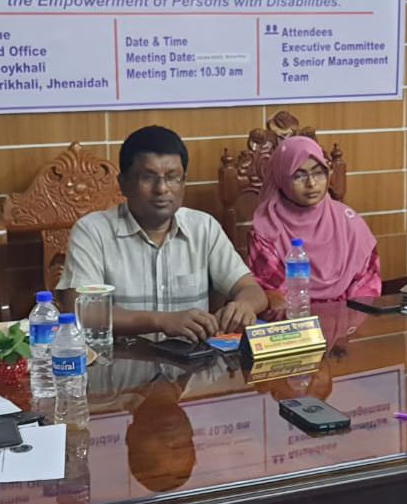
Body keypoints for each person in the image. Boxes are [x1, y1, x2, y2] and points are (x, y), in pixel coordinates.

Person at [60, 126, 269, 342]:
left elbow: (252, 290)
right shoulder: (92, 232)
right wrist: (161, 321)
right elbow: (81, 312)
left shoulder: (203, 227)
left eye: (172, 177)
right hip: (118, 360)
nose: (161, 188)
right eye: (148, 177)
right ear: (123, 184)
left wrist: (243, 305)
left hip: (191, 361)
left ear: (183, 182)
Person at [245, 135, 381, 303]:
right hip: (294, 315)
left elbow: (367, 283)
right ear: (281, 178)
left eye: (318, 173)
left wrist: (350, 316)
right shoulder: (267, 230)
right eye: (299, 176)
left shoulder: (348, 221)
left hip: (350, 315)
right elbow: (274, 294)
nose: (311, 183)